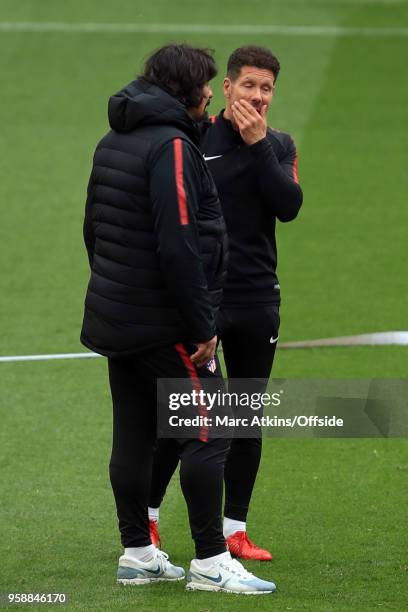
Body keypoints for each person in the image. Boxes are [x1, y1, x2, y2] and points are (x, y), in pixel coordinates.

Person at [80, 43, 276, 594]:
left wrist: (116, 288)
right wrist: (201, 327)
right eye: (206, 85)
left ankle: (137, 554)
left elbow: (92, 229)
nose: (212, 93)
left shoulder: (113, 138)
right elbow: (179, 245)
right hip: (164, 324)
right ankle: (212, 561)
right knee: (210, 434)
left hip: (117, 317)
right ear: (185, 90)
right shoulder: (170, 147)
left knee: (135, 434)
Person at [148, 45, 303, 561]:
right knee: (188, 416)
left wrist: (259, 145)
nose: (258, 97)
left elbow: (289, 206)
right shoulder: (195, 138)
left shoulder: (279, 144)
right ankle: (147, 520)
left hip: (258, 301)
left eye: (267, 89)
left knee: (246, 418)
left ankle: (235, 530)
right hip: (204, 301)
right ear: (229, 87)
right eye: (250, 86)